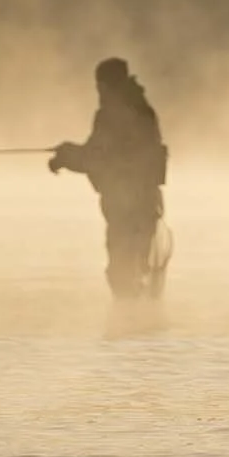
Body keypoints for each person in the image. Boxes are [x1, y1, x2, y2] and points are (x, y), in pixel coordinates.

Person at [49, 58, 171, 300]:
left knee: (121, 272)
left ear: (105, 85)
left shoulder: (111, 114)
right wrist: (69, 153)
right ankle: (142, 324)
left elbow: (94, 157)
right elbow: (101, 155)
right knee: (139, 266)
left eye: (99, 85)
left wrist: (63, 157)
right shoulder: (143, 110)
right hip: (148, 203)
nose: (98, 91)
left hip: (125, 207)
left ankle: (127, 325)